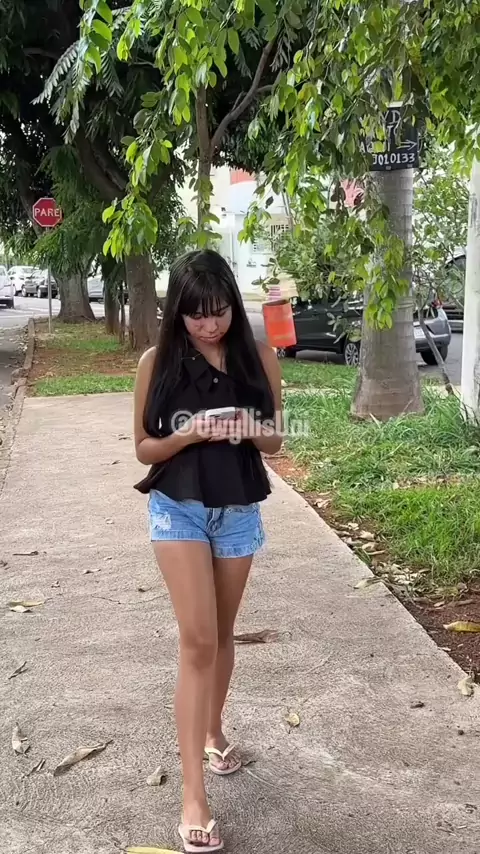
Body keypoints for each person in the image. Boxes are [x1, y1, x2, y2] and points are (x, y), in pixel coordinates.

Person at [133, 249, 283, 853]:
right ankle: (193, 796)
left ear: (233, 306)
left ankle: (213, 731)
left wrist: (246, 427)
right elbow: (143, 448)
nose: (209, 325)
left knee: (221, 634)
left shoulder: (259, 357)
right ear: (178, 311)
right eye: (196, 315)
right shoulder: (156, 362)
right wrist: (188, 434)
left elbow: (274, 439)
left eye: (218, 311)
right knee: (196, 640)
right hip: (178, 508)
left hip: (237, 508)